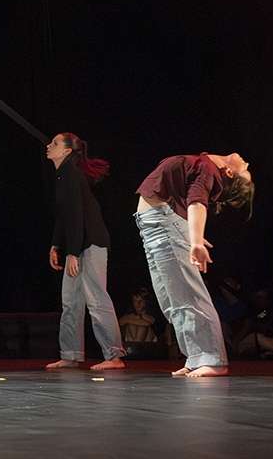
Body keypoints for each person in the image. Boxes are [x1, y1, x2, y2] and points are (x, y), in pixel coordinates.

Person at [133, 151, 254, 377]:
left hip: (162, 225)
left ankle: (213, 358)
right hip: (154, 227)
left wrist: (196, 241)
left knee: (189, 295)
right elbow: (187, 198)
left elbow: (197, 202)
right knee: (170, 299)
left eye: (245, 170)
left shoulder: (207, 169)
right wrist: (190, 233)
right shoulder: (203, 163)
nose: (247, 163)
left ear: (228, 172)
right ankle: (196, 356)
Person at [44, 133, 127, 371]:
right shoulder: (63, 174)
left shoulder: (71, 173)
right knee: (71, 301)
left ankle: (114, 356)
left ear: (68, 151)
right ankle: (70, 354)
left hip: (90, 243)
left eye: (55, 143)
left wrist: (71, 252)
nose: (49, 146)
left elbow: (77, 214)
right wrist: (56, 245)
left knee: (96, 298)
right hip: (78, 244)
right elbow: (64, 216)